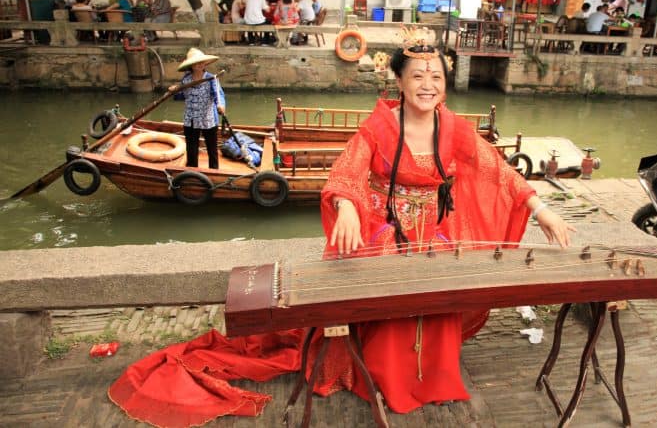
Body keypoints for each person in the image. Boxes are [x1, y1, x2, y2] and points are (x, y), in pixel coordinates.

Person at [107, 29, 572, 427]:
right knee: (389, 306)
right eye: (417, 77)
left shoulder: (453, 127)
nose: (427, 85)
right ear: (399, 81)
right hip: (390, 233)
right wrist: (347, 207)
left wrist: (541, 208)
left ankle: (436, 378)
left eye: (436, 77)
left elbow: (498, 172)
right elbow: (346, 172)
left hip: (435, 233)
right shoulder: (379, 127)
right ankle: (389, 381)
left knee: (439, 303)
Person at [169, 48, 225, 169]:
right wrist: (174, 91)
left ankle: (214, 172)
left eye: (202, 62)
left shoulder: (211, 79)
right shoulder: (186, 79)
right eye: (196, 62)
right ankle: (192, 172)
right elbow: (181, 96)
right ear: (191, 66)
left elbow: (218, 95)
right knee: (192, 149)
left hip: (208, 120)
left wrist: (221, 106)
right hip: (190, 119)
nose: (200, 64)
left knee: (212, 149)